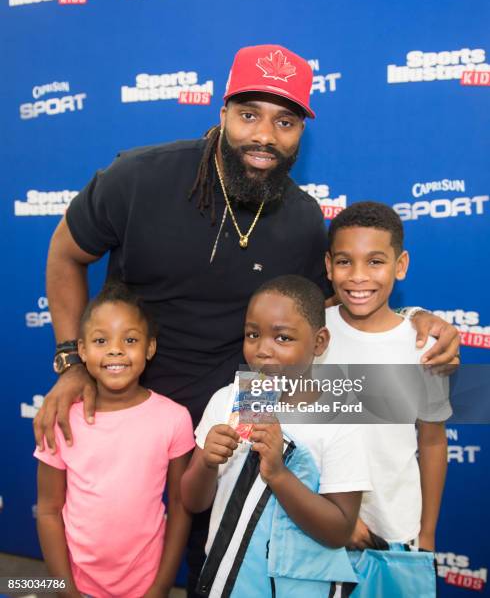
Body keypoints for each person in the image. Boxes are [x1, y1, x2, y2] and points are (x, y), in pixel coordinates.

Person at [34, 44, 459, 593]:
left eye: (285, 121)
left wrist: (415, 319)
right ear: (222, 112)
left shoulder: (305, 219)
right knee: (113, 559)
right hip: (131, 409)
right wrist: (72, 361)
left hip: (237, 421)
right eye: (249, 114)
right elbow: (65, 253)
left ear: (302, 131)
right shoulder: (139, 177)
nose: (265, 136)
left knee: (223, 565)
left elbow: (320, 308)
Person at [181, 275, 372, 597]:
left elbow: (340, 530)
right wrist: (207, 465)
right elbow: (192, 500)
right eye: (253, 334)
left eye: (282, 338)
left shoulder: (339, 420)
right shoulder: (231, 399)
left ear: (319, 342)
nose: (263, 350)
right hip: (225, 582)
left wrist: (279, 475)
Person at [34, 282, 195, 598]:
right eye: (100, 340)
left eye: (130, 339)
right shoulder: (63, 419)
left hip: (145, 585)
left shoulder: (174, 418)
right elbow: (49, 510)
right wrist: (65, 590)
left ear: (150, 348)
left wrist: (161, 586)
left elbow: (179, 506)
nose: (115, 349)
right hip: (77, 587)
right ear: (81, 350)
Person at [320, 201, 450, 556]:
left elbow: (433, 441)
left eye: (375, 262)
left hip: (395, 530)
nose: (359, 276)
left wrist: (427, 534)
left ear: (400, 265)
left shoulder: (425, 346)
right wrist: (334, 516)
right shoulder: (311, 333)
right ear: (329, 266)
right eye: (345, 261)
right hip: (315, 522)